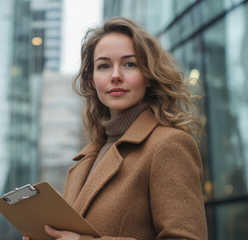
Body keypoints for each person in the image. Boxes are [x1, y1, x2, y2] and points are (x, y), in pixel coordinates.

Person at [24, 16, 207, 240]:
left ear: (148, 76)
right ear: (92, 79)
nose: (116, 76)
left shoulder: (169, 145)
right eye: (104, 66)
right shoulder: (85, 160)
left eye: (129, 64)